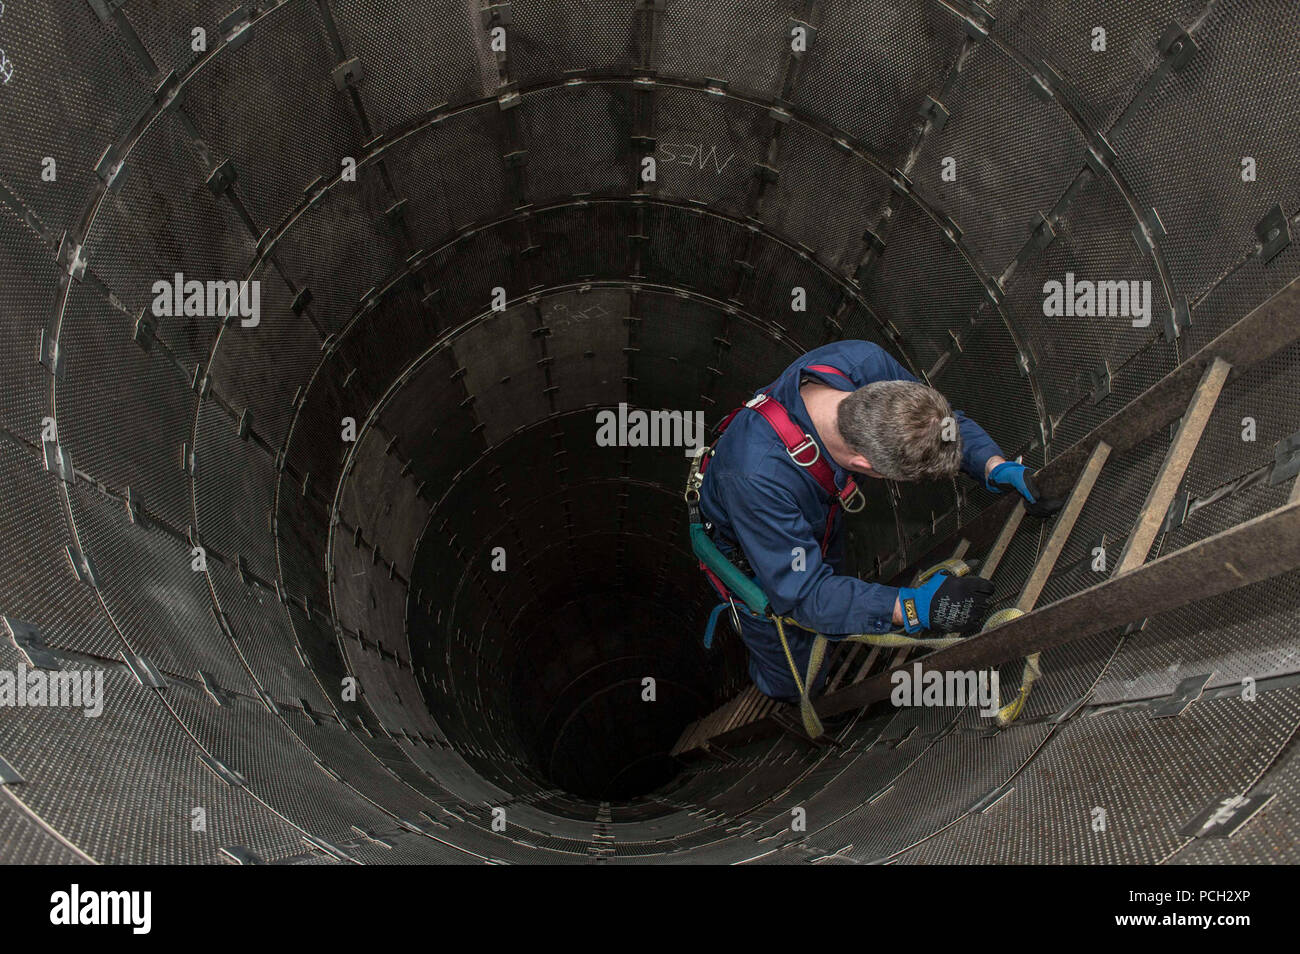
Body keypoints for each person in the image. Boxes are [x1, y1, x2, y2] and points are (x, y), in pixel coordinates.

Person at [696, 339, 1061, 703]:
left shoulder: (863, 363)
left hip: (812, 516)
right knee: (796, 670)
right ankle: (787, 696)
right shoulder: (755, 479)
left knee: (832, 592)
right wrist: (915, 607)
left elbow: (938, 425)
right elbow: (805, 595)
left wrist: (993, 466)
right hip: (753, 552)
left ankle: (837, 633)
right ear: (865, 467)